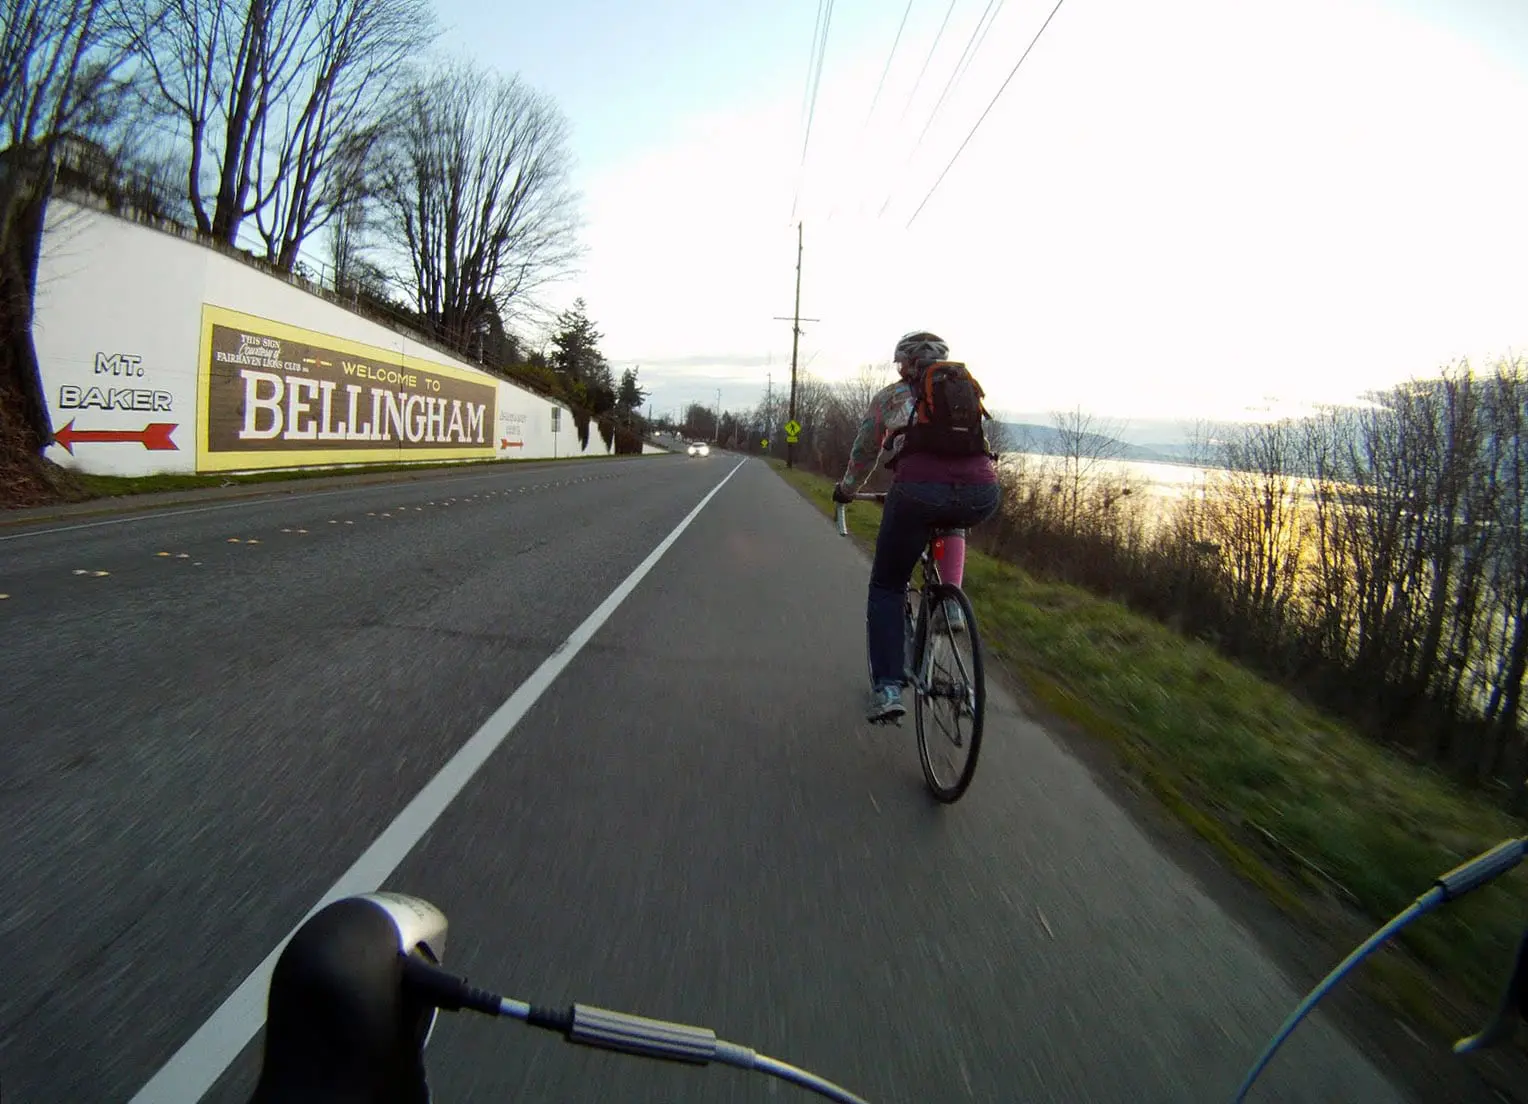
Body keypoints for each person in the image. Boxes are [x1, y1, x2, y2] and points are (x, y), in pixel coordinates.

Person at [833, 331, 1002, 723]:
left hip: (917, 494)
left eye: (899, 364)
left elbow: (864, 451)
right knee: (954, 514)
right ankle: (950, 603)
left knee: (888, 585)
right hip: (982, 493)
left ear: (906, 365)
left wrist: (846, 490)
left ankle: (889, 687)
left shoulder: (892, 397)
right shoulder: (963, 393)